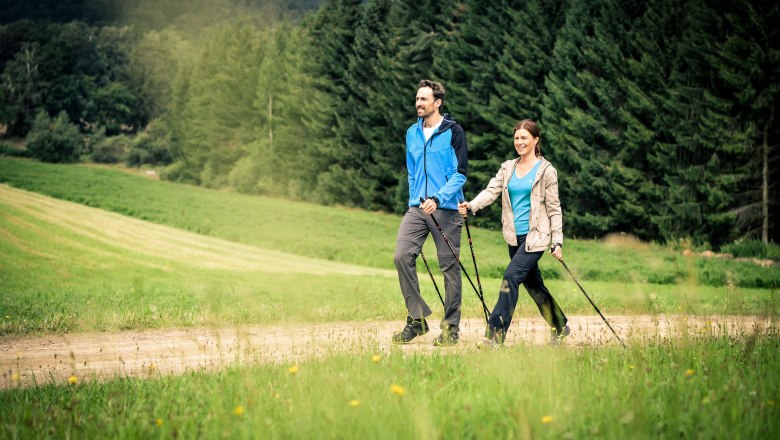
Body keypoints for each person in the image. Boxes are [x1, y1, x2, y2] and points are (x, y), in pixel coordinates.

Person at [458, 119, 570, 347]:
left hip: (536, 238)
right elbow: (492, 191)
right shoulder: (507, 167)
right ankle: (559, 326)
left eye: (524, 138)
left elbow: (554, 208)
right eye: (517, 138)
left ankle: (495, 336)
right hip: (513, 237)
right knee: (534, 286)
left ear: (536, 140)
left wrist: (557, 241)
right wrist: (472, 205)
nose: (519, 142)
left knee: (510, 277)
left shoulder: (546, 171)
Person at [392, 79, 468, 346]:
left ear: (437, 103)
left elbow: (460, 175)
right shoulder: (412, 133)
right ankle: (417, 318)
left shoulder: (453, 131)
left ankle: (451, 329)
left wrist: (439, 197)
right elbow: (412, 172)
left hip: (446, 209)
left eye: (424, 99)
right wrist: (415, 201)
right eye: (416, 99)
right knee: (402, 255)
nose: (418, 103)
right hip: (417, 208)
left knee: (449, 268)